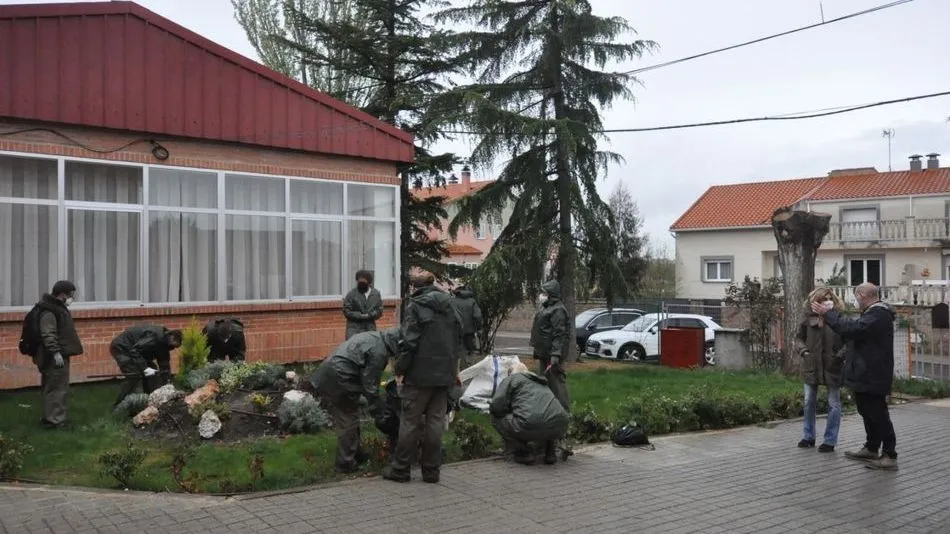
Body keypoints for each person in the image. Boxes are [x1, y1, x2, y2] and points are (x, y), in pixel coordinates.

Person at [382, 271, 462, 484]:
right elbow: (459, 337)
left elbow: (409, 342)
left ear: (413, 287)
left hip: (419, 374)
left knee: (410, 421)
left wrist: (400, 369)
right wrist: (453, 370)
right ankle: (431, 471)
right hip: (444, 373)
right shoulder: (450, 305)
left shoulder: (415, 306)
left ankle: (401, 469)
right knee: (435, 422)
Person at [812, 282, 898, 471]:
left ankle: (890, 455)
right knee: (866, 411)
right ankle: (871, 447)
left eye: (856, 296)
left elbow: (852, 328)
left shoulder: (878, 315)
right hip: (865, 373)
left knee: (878, 414)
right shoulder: (871, 314)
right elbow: (852, 330)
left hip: (874, 374)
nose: (856, 300)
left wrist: (829, 313)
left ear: (862, 296)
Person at [310, 327, 401, 473]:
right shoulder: (379, 352)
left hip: (332, 372)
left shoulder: (375, 337)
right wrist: (380, 415)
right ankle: (345, 463)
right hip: (339, 377)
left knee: (351, 415)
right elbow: (370, 387)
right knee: (348, 419)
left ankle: (355, 453)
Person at [489, 362, 569, 465]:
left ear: (510, 373)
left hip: (531, 424)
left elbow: (497, 405)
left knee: (495, 418)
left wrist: (504, 411)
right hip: (561, 425)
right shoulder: (540, 381)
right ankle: (550, 452)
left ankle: (523, 453)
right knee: (547, 417)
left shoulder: (511, 379)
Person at [796, 288, 846, 453]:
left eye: (827, 299)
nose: (823, 303)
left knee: (833, 403)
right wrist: (804, 352)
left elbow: (848, 340)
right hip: (811, 365)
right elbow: (798, 338)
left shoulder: (839, 317)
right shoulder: (807, 317)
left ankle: (830, 440)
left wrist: (839, 356)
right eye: (820, 300)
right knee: (809, 401)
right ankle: (808, 436)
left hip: (833, 365)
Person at [31, 281, 84, 429]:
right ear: (62, 294)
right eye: (70, 294)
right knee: (57, 388)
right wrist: (55, 352)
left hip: (56, 354)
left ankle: (50, 417)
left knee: (53, 387)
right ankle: (56, 421)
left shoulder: (55, 308)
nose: (71, 298)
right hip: (53, 356)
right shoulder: (49, 311)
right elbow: (48, 333)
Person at [110, 325, 183, 407]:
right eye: (173, 344)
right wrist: (144, 368)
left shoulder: (165, 344)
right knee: (135, 376)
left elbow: (164, 365)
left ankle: (150, 401)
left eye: (175, 346)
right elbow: (135, 350)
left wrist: (168, 383)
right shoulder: (153, 337)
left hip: (137, 352)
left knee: (153, 373)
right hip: (122, 347)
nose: (173, 347)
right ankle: (121, 406)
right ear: (171, 337)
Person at [529, 279, 571, 412]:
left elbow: (559, 334)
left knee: (557, 383)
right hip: (544, 352)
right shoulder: (546, 307)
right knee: (544, 381)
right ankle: (547, 410)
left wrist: (555, 355)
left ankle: (564, 411)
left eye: (545, 292)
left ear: (551, 294)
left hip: (552, 354)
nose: (542, 295)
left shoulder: (558, 310)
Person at [343, 270, 384, 340]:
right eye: (359, 282)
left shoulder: (376, 294)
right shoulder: (351, 294)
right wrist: (360, 315)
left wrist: (370, 315)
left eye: (364, 282)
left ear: (369, 282)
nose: (361, 284)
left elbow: (379, 311)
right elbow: (346, 311)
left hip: (370, 330)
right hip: (354, 330)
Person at [452, 285, 483, 368]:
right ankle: (467, 367)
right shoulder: (472, 302)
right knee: (470, 349)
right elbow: (477, 316)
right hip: (469, 330)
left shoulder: (452, 301)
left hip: (455, 330)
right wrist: (479, 328)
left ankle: (457, 367)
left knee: (456, 349)